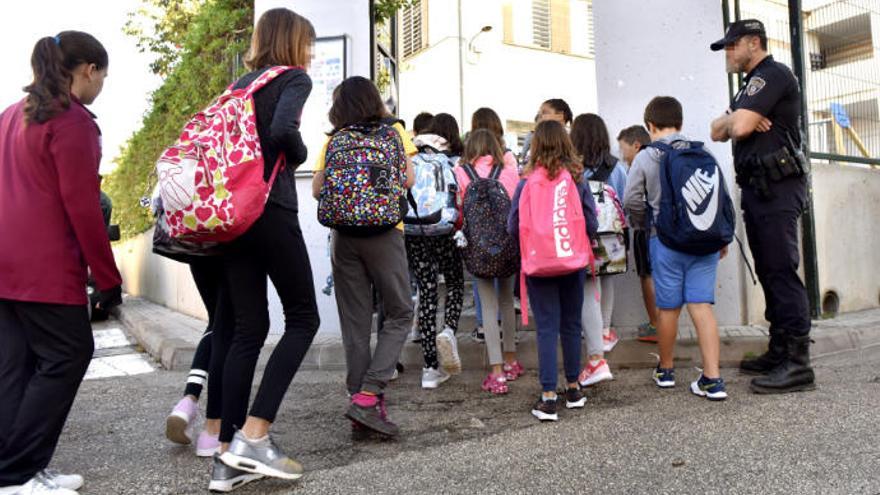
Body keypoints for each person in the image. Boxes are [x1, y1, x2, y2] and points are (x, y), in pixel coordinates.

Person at [0, 31, 122, 495]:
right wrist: (107, 280)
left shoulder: (10, 116)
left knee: (16, 368)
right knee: (69, 355)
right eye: (103, 75)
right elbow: (84, 207)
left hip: (6, 266)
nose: (102, 85)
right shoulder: (70, 122)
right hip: (44, 270)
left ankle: (15, 471)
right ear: (87, 70)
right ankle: (17, 474)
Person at [211, 8, 319, 490]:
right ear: (293, 42)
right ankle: (255, 437)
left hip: (233, 217)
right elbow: (281, 133)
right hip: (271, 209)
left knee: (246, 329)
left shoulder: (239, 86)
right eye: (308, 44)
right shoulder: (293, 78)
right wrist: (297, 155)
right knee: (303, 318)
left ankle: (226, 456)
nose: (311, 54)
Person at [709, 19, 814, 395]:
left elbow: (737, 129)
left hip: (779, 187)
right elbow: (718, 129)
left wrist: (739, 121)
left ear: (754, 42)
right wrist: (737, 118)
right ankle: (779, 349)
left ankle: (799, 363)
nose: (728, 53)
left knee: (782, 270)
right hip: (758, 187)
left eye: (733, 46)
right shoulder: (747, 88)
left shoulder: (772, 75)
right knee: (769, 270)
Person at [311, 76, 415, 436]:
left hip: (344, 237)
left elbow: (317, 188)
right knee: (400, 312)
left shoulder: (334, 139)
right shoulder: (394, 132)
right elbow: (409, 180)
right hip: (385, 233)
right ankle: (369, 396)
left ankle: (361, 402)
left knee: (354, 322)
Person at [624, 96, 729, 401]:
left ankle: (666, 371)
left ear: (650, 125)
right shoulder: (702, 151)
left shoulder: (646, 156)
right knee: (701, 305)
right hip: (706, 240)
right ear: (681, 123)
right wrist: (721, 237)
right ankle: (713, 378)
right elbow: (721, 196)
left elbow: (631, 199)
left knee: (668, 308)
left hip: (666, 240)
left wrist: (645, 224)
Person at [508, 120, 598, 422]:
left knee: (546, 327)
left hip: (538, 263)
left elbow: (512, 225)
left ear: (536, 146)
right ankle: (573, 388)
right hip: (571, 260)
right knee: (571, 324)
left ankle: (548, 397)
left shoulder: (526, 181)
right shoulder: (576, 178)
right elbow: (591, 222)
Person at [455, 129, 522, 394]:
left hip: (478, 248)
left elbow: (459, 213)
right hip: (507, 245)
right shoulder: (507, 170)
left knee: (488, 304)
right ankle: (511, 360)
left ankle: (496, 373)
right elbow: (516, 206)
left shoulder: (461, 172)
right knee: (506, 301)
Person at [570, 113, 629, 387]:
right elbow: (625, 198)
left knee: (587, 283)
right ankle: (604, 330)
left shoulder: (571, 166)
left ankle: (589, 332)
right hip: (611, 234)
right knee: (607, 278)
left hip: (581, 233)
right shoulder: (615, 166)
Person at [407, 112, 465, 389]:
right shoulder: (453, 161)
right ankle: (450, 329)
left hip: (413, 230)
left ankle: (429, 368)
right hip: (445, 230)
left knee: (426, 290)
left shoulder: (411, 156)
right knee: (454, 281)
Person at [164, 259, 231, 458]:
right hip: (227, 242)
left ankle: (188, 401)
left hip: (196, 244)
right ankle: (214, 430)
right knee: (225, 326)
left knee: (215, 322)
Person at [467, 107, 518, 343]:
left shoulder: (465, 165)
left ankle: (483, 326)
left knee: (482, 277)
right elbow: (515, 194)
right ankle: (509, 334)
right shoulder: (508, 159)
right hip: (506, 229)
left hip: (477, 232)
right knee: (506, 286)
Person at [617, 125, 659, 343]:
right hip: (665, 229)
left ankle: (655, 325)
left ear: (636, 145)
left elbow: (631, 200)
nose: (623, 156)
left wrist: (639, 222)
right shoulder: (662, 157)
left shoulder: (641, 162)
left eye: (624, 149)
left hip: (646, 227)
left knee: (647, 275)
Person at [519, 98, 573, 165]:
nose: (540, 116)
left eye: (545, 112)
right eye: (539, 113)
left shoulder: (570, 140)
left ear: (560, 115)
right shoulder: (538, 137)